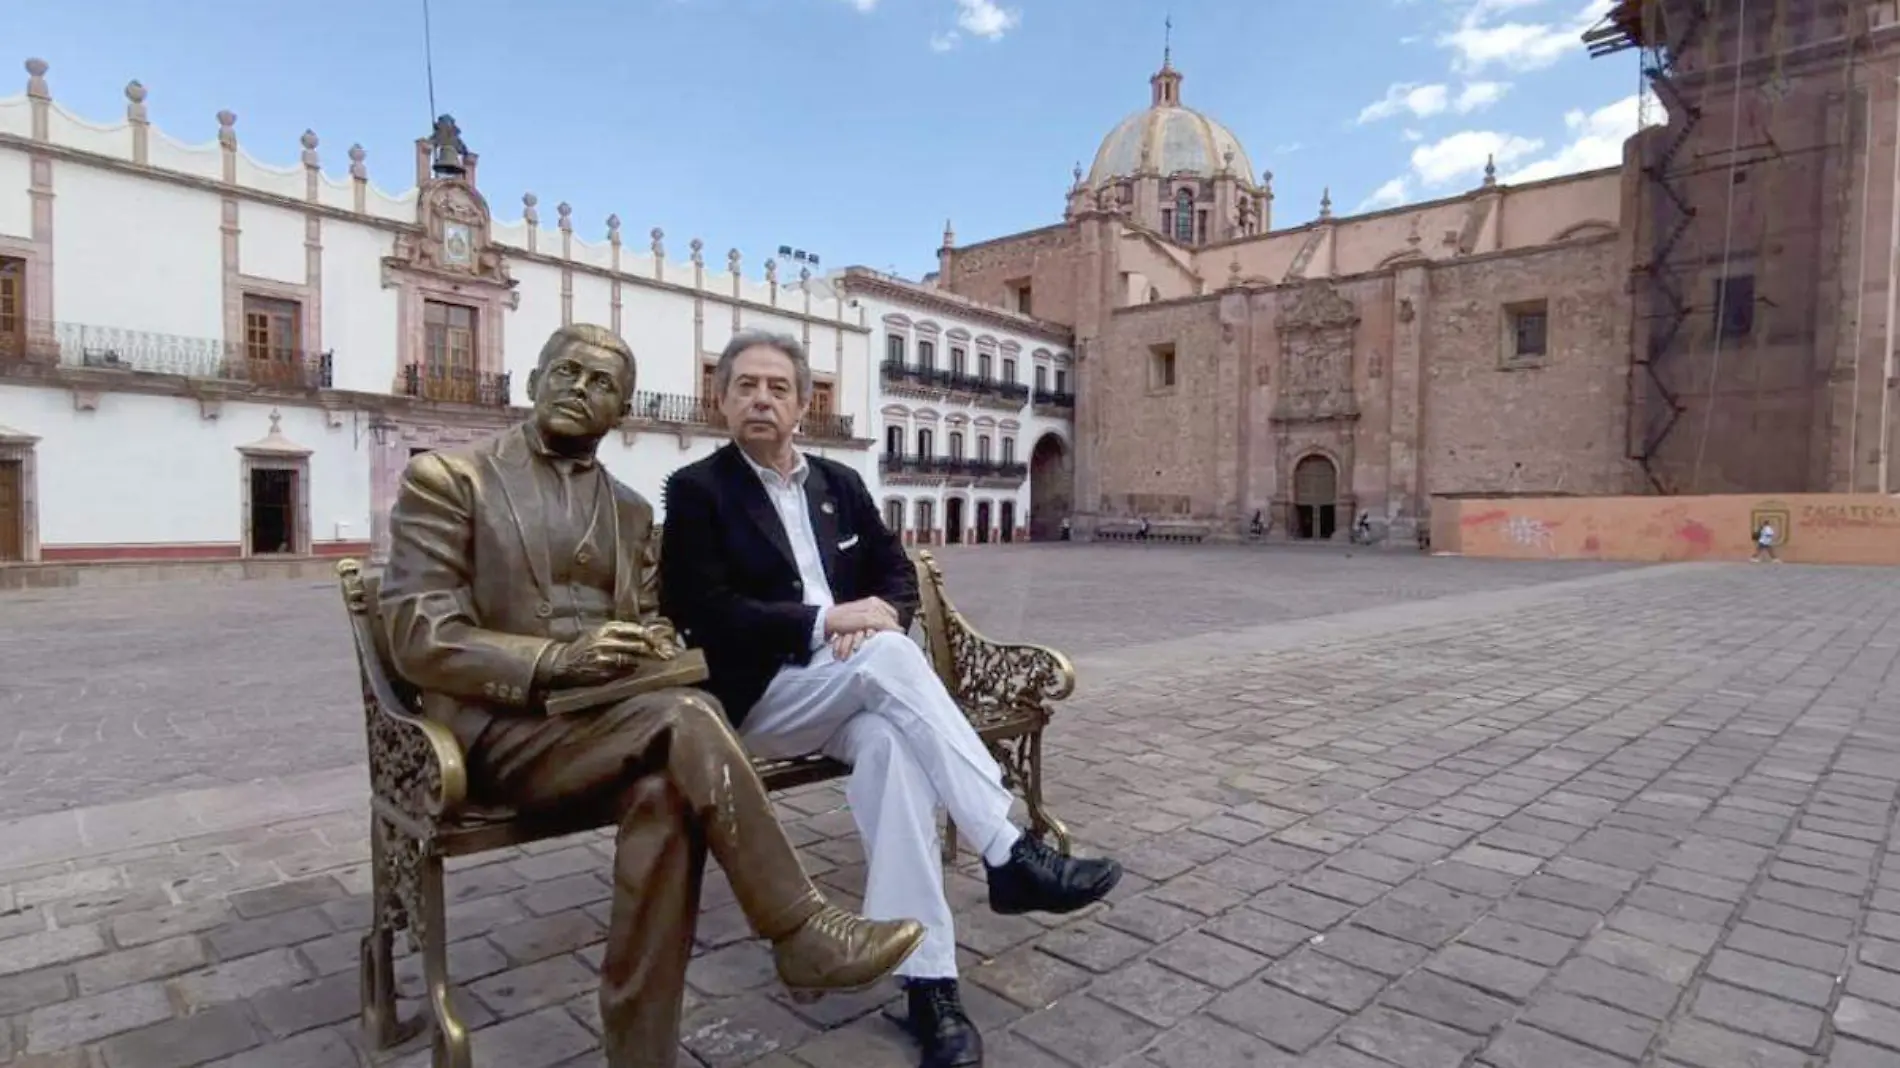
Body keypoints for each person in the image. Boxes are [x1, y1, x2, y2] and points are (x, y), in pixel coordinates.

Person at [379, 324, 923, 1068]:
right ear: (533, 379)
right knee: (687, 718)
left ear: (623, 410)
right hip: (494, 735)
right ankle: (797, 929)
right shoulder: (450, 479)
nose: (579, 388)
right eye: (566, 371)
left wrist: (653, 644)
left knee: (670, 793)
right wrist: (555, 660)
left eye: (601, 383)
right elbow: (418, 634)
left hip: (607, 730)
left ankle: (641, 1054)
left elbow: (647, 619)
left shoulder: (632, 511)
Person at [660, 329, 1124, 1068]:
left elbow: (894, 573)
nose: (760, 399)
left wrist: (877, 620)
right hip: (761, 697)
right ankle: (1007, 847)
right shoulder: (697, 492)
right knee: (886, 659)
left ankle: (928, 984)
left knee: (892, 747)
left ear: (802, 405)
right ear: (720, 400)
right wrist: (824, 620)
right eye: (744, 385)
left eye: (778, 388)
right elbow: (704, 610)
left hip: (855, 678)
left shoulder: (837, 485)